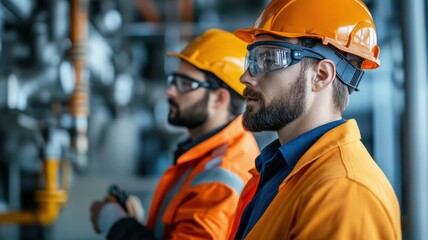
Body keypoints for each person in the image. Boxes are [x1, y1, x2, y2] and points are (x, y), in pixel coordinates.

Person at [228, 0, 402, 239]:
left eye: (269, 60)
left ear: (321, 75)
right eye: (252, 60)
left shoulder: (344, 193)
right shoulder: (279, 170)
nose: (245, 77)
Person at [90, 28, 260, 240]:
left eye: (186, 84)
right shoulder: (213, 152)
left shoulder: (221, 178)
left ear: (219, 99)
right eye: (173, 80)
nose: (170, 91)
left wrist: (115, 222)